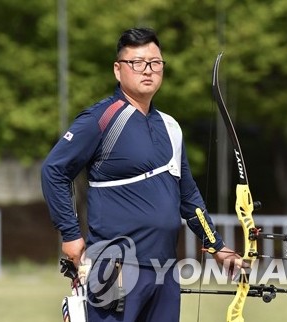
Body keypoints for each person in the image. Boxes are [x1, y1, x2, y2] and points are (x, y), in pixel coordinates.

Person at [41, 27, 240, 322]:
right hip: (116, 269)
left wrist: (216, 246)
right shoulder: (102, 118)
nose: (147, 70)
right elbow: (54, 170)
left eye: (155, 63)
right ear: (118, 70)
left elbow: (188, 196)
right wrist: (70, 234)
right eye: (136, 63)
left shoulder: (171, 127)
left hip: (165, 270)